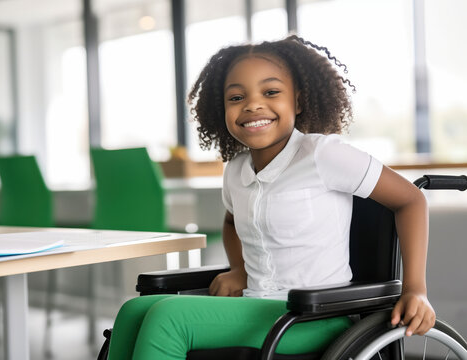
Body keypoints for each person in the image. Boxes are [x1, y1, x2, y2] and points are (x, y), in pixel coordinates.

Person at [105, 35, 435, 360]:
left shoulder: (322, 155)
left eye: (271, 92)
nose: (252, 104)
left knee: (168, 318)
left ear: (299, 100)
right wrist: (238, 270)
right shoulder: (235, 170)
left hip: (315, 314)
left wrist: (415, 289)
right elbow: (232, 221)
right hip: (256, 306)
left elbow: (410, 200)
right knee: (134, 311)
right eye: (236, 97)